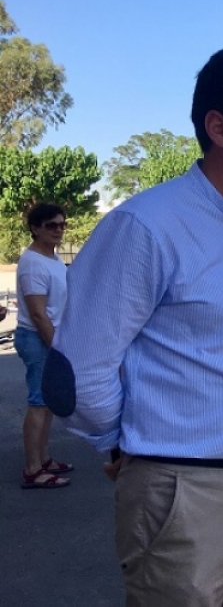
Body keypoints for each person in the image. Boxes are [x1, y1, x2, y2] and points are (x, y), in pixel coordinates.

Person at [45, 49, 223, 606]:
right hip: (186, 492)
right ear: (220, 128)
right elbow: (79, 372)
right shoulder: (145, 226)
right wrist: (124, 445)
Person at [15, 203, 73, 489]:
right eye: (51, 225)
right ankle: (33, 469)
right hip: (38, 338)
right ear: (35, 228)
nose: (58, 230)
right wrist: (56, 348)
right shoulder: (33, 264)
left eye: (62, 224)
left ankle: (44, 459)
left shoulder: (53, 258)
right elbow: (38, 314)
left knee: (47, 402)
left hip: (51, 337)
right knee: (38, 403)